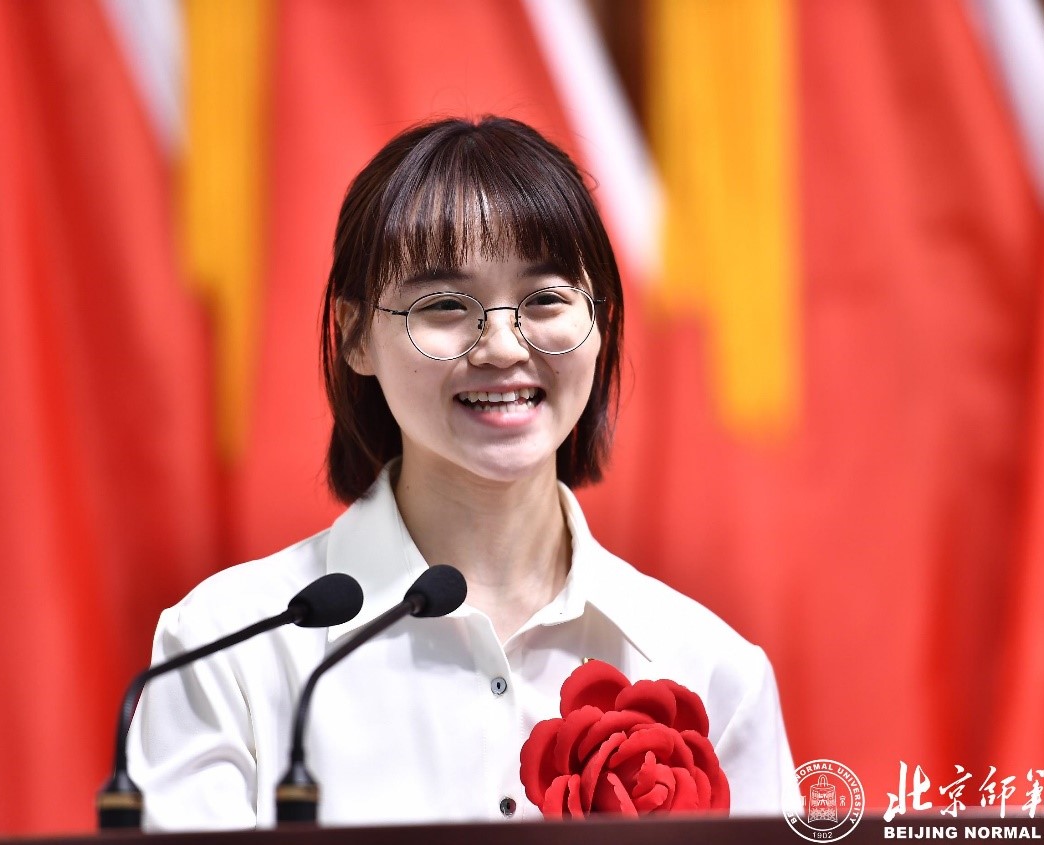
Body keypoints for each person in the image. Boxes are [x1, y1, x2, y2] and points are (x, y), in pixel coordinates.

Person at [131, 115, 798, 829]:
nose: (503, 347)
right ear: (355, 334)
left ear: (600, 322)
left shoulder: (712, 669)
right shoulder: (227, 651)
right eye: (446, 305)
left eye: (545, 299)